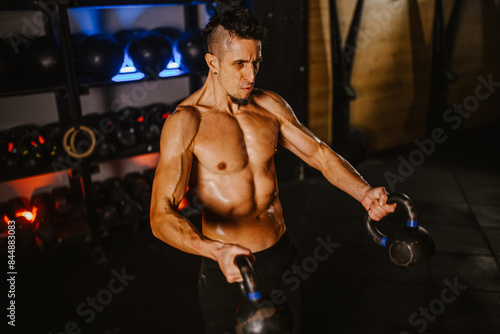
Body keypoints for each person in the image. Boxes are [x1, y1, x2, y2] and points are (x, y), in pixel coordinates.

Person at [150, 6, 396, 334]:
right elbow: (159, 216)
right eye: (239, 64)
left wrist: (363, 192)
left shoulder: (269, 105)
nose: (251, 76)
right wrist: (215, 251)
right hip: (229, 267)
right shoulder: (186, 123)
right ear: (212, 63)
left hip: (282, 256)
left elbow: (320, 155)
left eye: (256, 62)